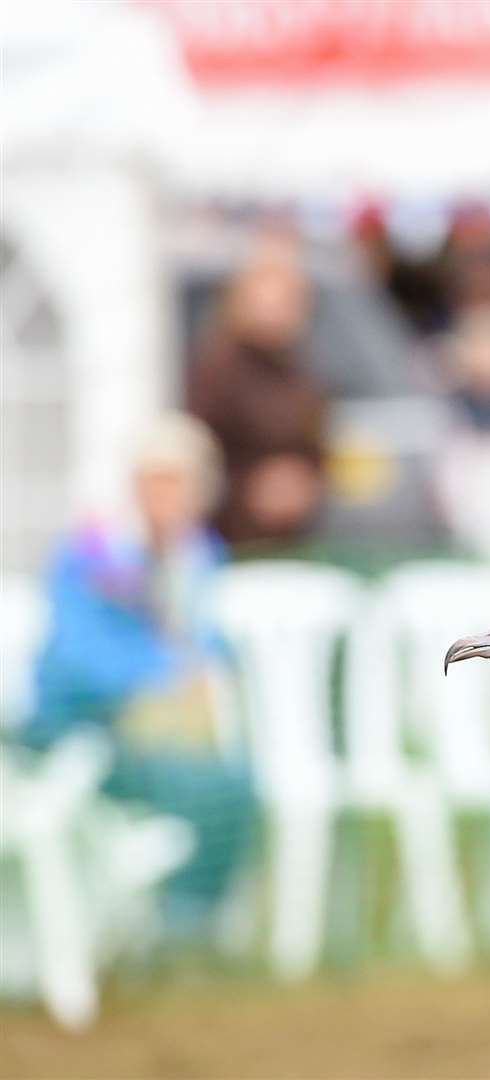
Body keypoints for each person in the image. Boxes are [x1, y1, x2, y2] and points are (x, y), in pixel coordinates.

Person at [21, 413, 256, 937]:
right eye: (154, 479)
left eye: (178, 481)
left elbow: (205, 638)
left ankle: (189, 918)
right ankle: (180, 925)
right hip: (76, 727)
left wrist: (199, 673)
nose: (165, 495)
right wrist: (164, 675)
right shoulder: (91, 552)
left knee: (234, 779)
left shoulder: (197, 557)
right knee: (211, 783)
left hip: (157, 730)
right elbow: (73, 655)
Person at [187, 231, 328, 548]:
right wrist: (250, 491)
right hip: (230, 536)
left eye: (286, 299)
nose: (275, 310)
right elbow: (199, 456)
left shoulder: (300, 371)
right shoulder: (218, 370)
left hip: (294, 535)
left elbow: (318, 449)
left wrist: (305, 485)